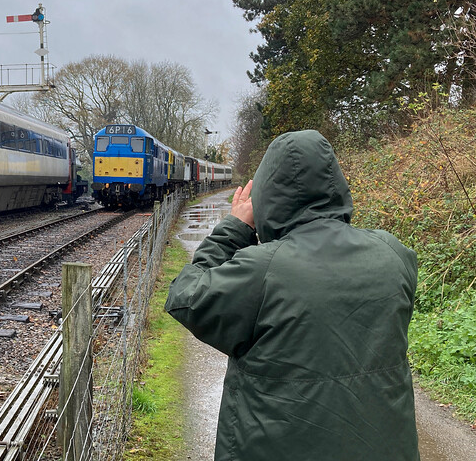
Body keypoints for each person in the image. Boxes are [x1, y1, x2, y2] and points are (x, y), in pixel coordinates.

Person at [165, 130, 419, 461]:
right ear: (336, 185)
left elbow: (185, 297)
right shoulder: (393, 254)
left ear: (268, 195)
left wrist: (234, 228)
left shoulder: (263, 268)